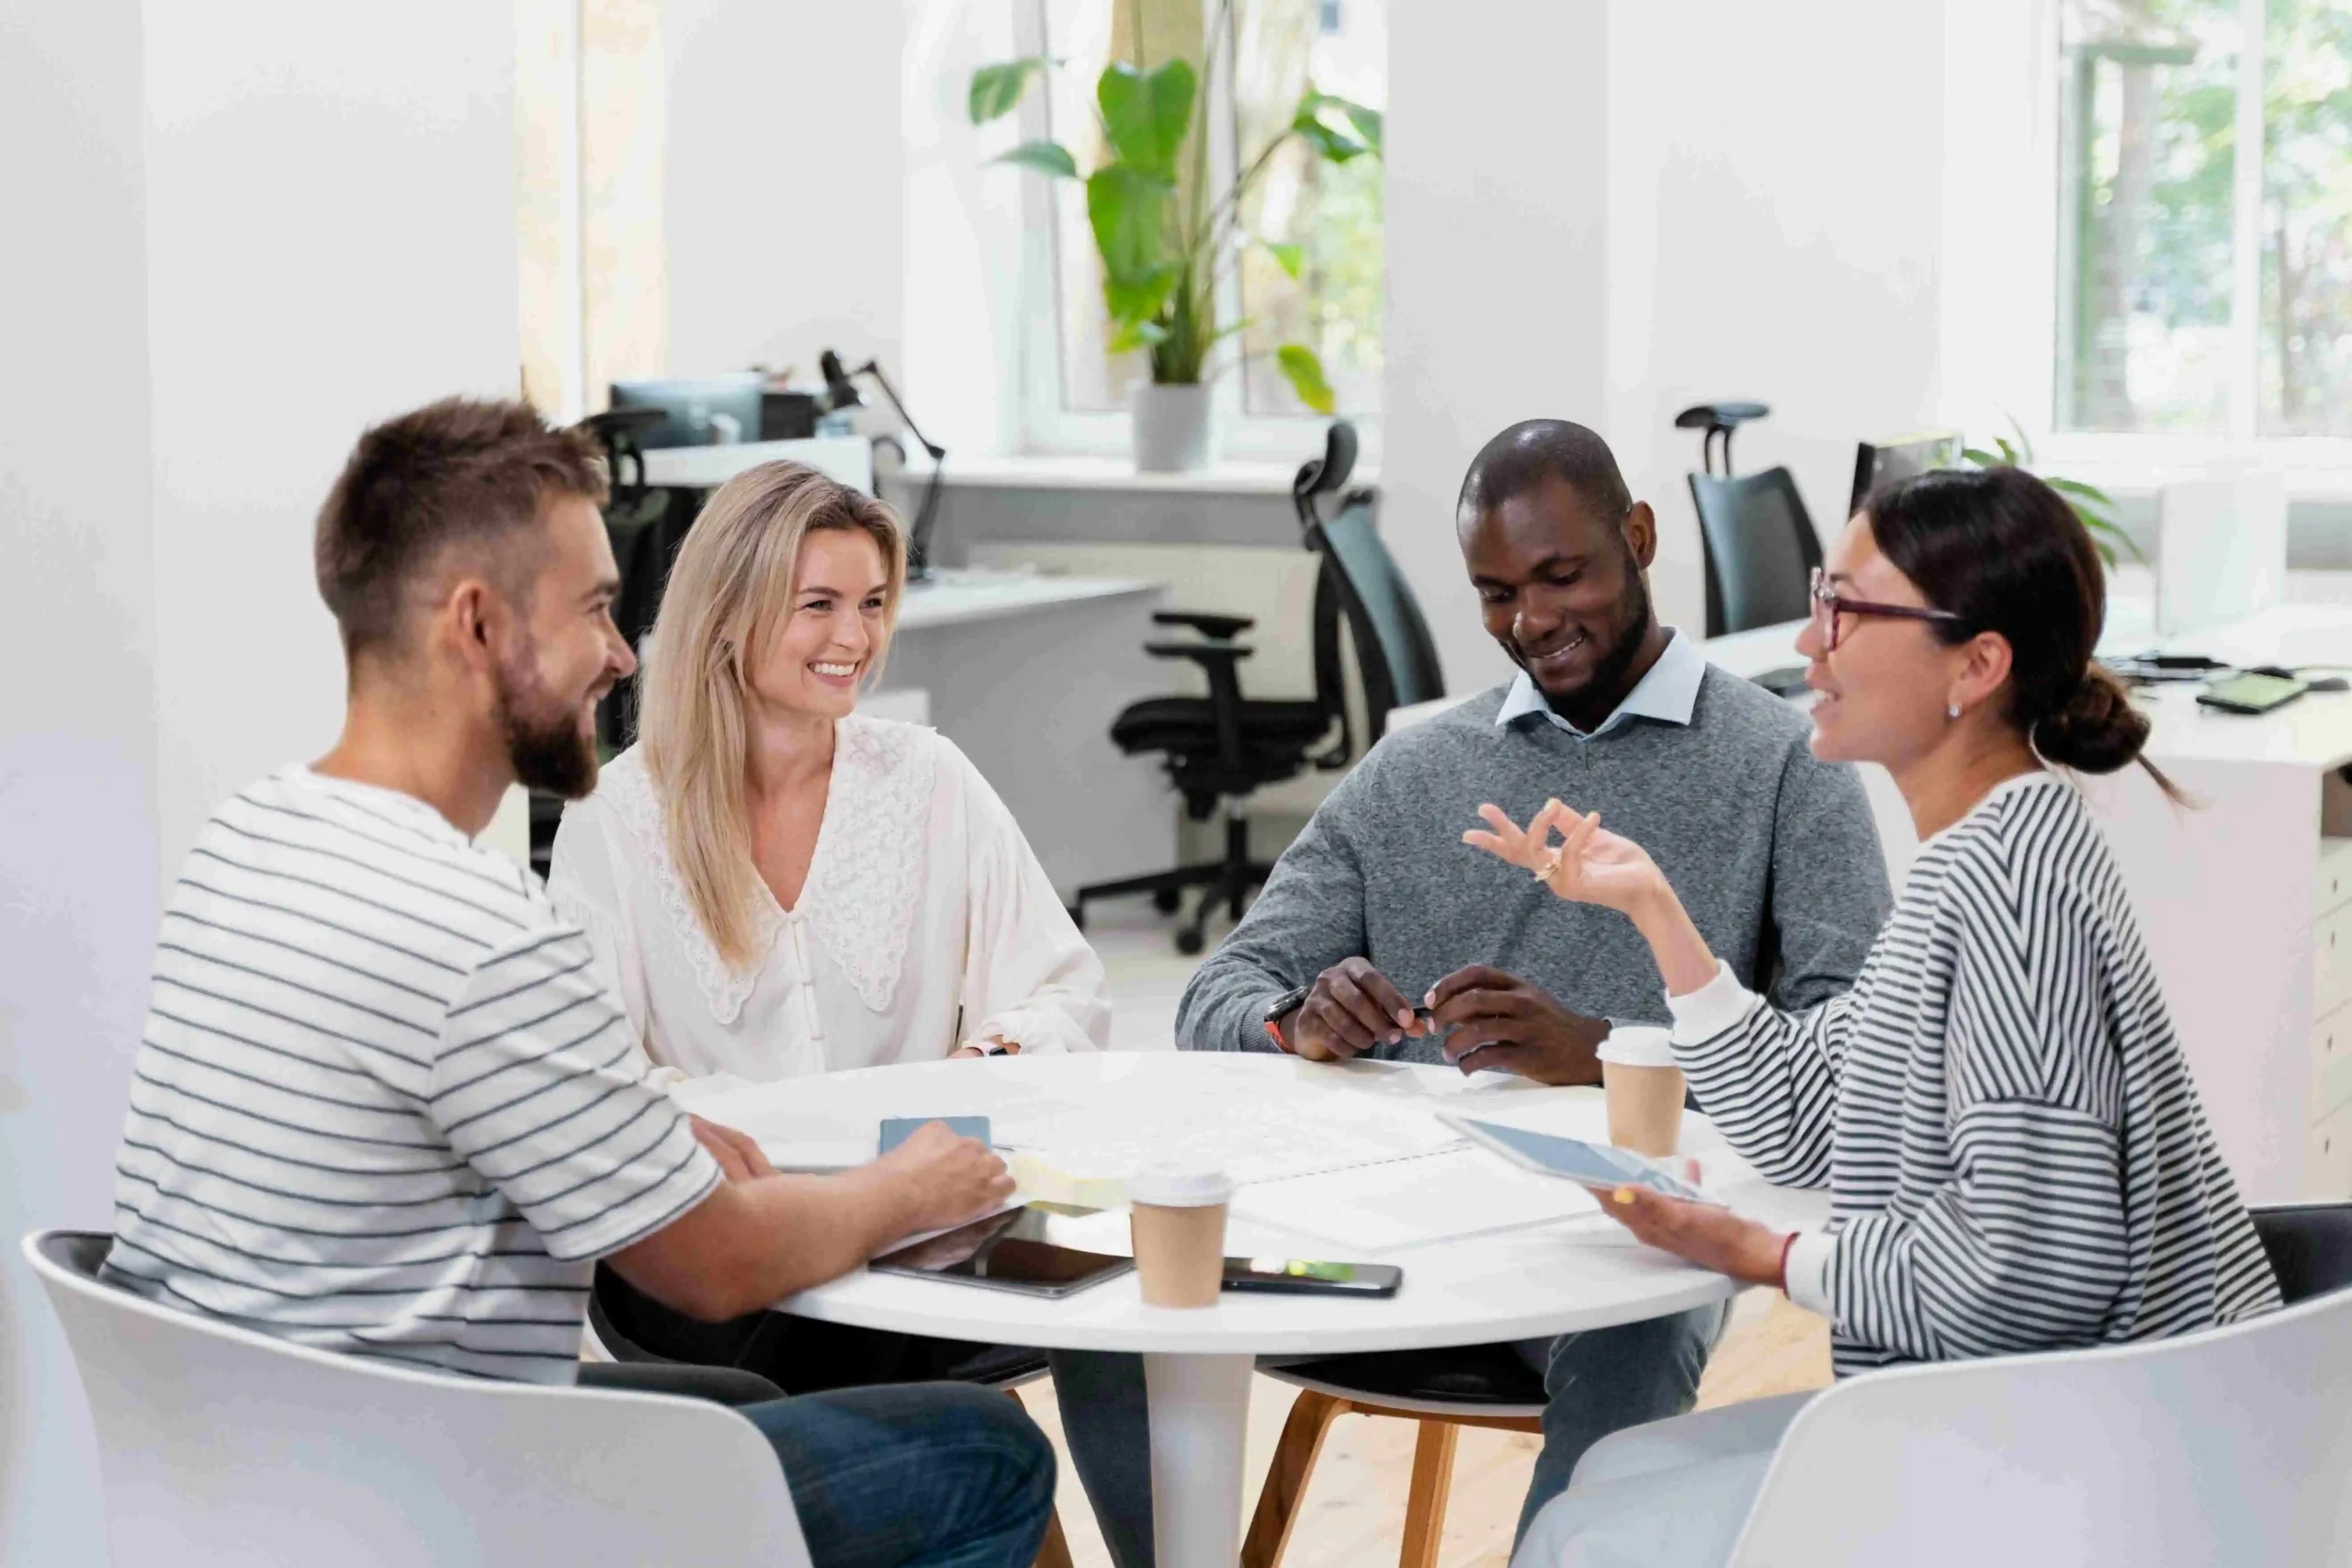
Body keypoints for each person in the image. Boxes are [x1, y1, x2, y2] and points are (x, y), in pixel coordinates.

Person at [100, 398, 1056, 1568]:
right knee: (983, 1448)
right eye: (597, 607)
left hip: (250, 1477)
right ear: (479, 626)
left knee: (751, 1415)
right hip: (442, 1503)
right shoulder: (482, 932)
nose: (621, 651)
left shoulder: (249, 844)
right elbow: (715, 1268)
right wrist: (913, 1184)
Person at [1050, 419, 1897, 1564]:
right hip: (1383, 1220)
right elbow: (1220, 990)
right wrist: (1290, 1021)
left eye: (1562, 576)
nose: (1532, 623)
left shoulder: (1788, 765)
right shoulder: (1414, 769)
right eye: (1497, 593)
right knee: (1114, 1295)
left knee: (1636, 1338)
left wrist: (1604, 1053)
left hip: (1620, 1239)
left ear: (1639, 539)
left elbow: (1854, 1058)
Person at [1475, 466, 2281, 1567]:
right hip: (2061, 1422)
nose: (1810, 647)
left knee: (1584, 1531)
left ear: (1976, 665)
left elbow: (2029, 1276)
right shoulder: (1987, 853)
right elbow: (1807, 1117)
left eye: (1846, 611)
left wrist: (1767, 1255)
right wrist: (1656, 910)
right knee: (1610, 1478)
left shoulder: (2007, 895)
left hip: (2093, 1463)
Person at [544, 457, 1107, 1393]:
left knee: (1122, 1288)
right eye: (818, 605)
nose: (856, 637)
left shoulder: (931, 781)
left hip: (919, 1232)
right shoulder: (615, 816)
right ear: (729, 613)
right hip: (720, 1249)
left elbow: (1064, 991)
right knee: (892, 1376)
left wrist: (984, 1064)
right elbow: (594, 1078)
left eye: (874, 602)